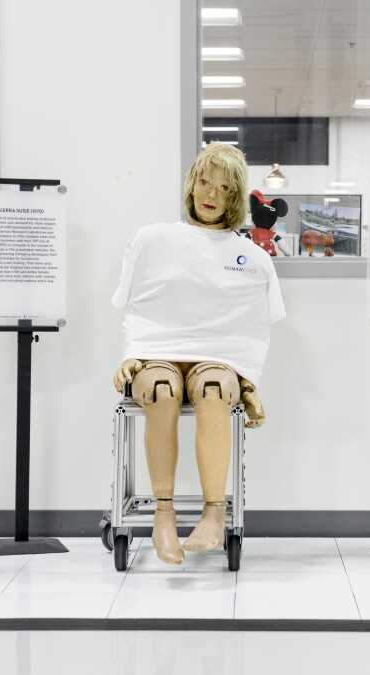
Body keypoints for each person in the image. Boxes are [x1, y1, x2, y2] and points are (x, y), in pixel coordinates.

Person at [111, 143, 286, 564]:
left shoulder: (254, 258)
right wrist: (132, 354)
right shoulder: (153, 239)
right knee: (158, 389)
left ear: (236, 195)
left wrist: (246, 379)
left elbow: (251, 328)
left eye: (224, 188)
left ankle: (214, 513)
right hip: (158, 354)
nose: (211, 194)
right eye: (205, 182)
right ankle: (163, 515)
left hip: (217, 359)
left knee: (212, 388)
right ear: (192, 184)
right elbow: (138, 307)